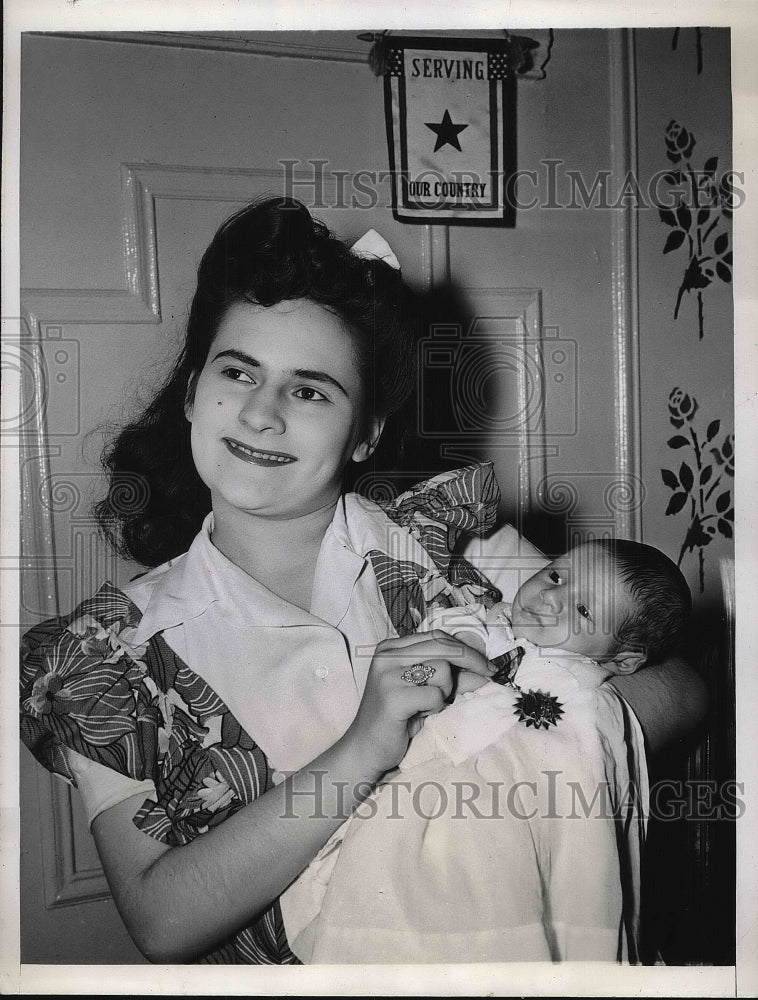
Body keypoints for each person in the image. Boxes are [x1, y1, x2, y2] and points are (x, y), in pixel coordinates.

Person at [19, 197, 706, 965]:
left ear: (367, 432)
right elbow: (162, 919)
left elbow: (676, 685)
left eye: (310, 390)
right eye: (237, 371)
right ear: (190, 394)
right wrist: (363, 750)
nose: (260, 414)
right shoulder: (104, 655)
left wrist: (512, 723)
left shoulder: (447, 537)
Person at [280, 539, 692, 963]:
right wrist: (462, 651)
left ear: (622, 662)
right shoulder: (489, 617)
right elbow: (453, 638)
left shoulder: (581, 684)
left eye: (584, 611)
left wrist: (483, 687)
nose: (550, 598)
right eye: (555, 575)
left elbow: (562, 745)